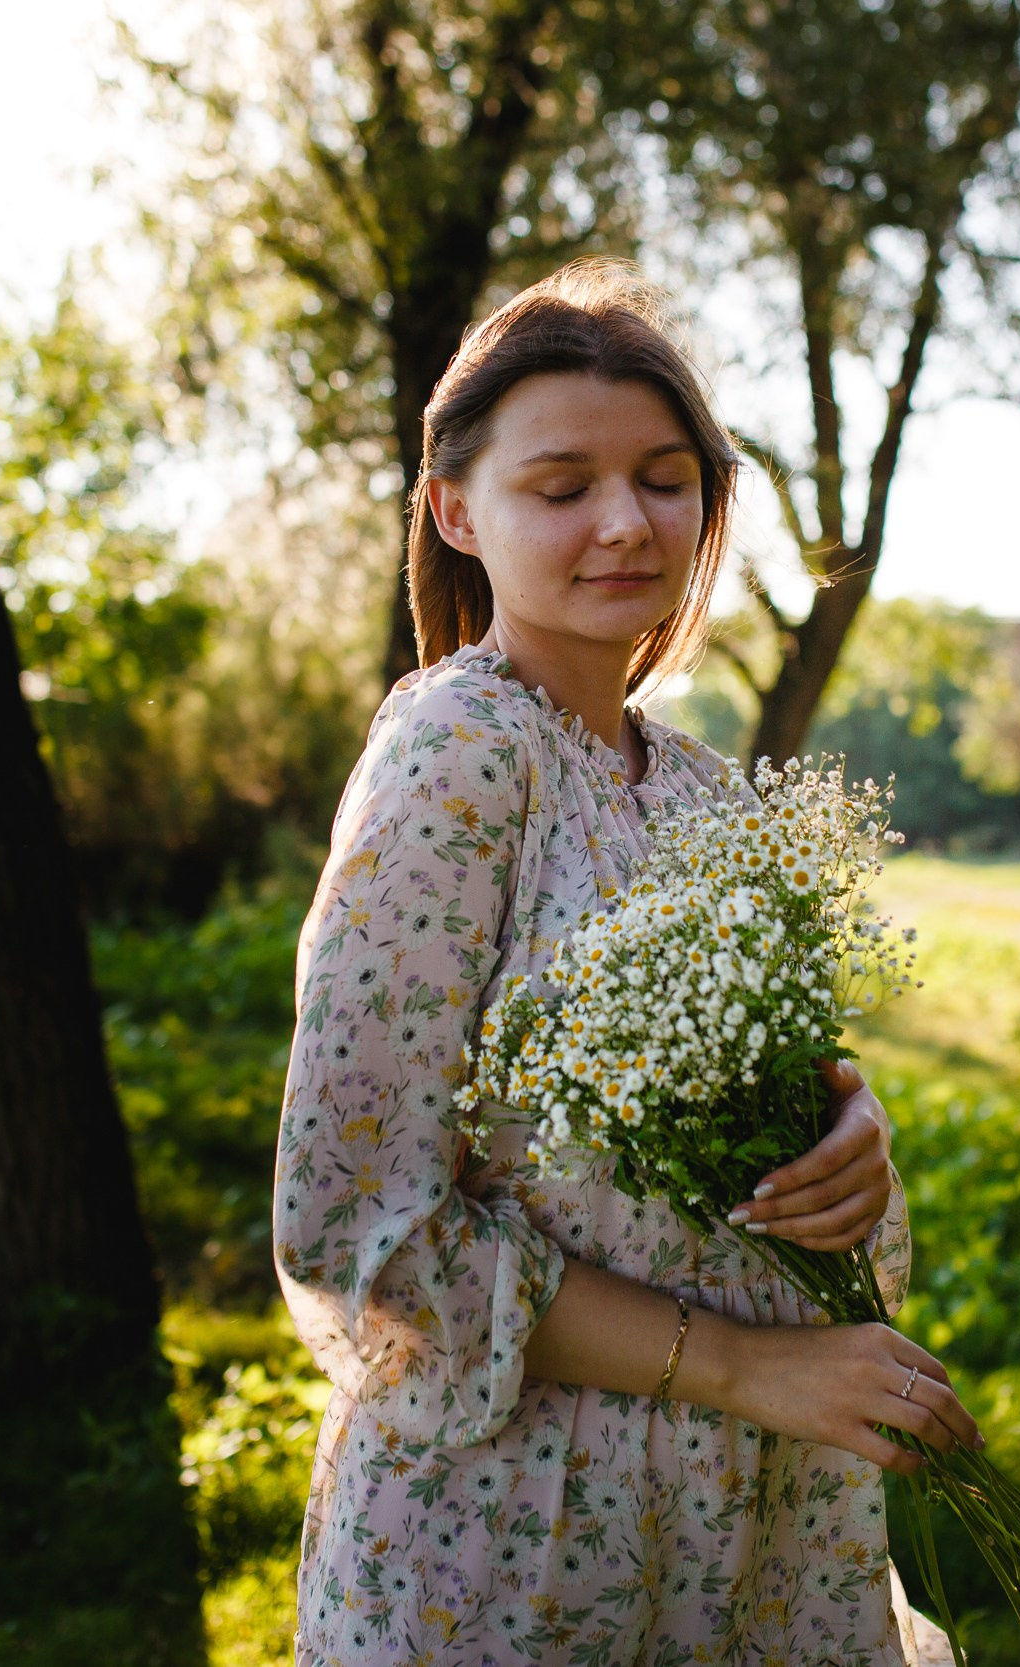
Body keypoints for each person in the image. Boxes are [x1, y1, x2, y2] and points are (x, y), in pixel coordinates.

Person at [272, 260, 976, 1665]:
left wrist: (852, 1146)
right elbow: (358, 1221)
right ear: (455, 511)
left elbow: (755, 1113)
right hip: (528, 1536)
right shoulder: (461, 756)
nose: (625, 523)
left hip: (757, 1522)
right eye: (562, 486)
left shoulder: (705, 788)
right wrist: (749, 1368)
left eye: (666, 479)